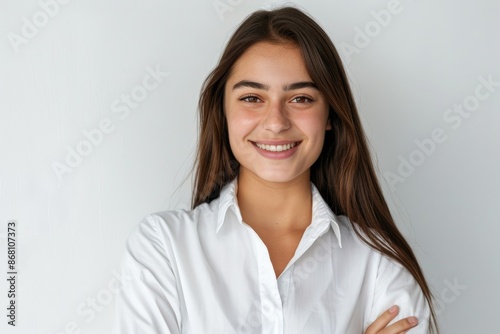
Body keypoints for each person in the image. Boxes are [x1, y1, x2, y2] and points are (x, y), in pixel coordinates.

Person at [113, 6, 439, 334]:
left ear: (330, 115)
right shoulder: (163, 247)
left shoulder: (379, 261)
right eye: (252, 98)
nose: (275, 123)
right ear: (222, 111)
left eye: (300, 99)